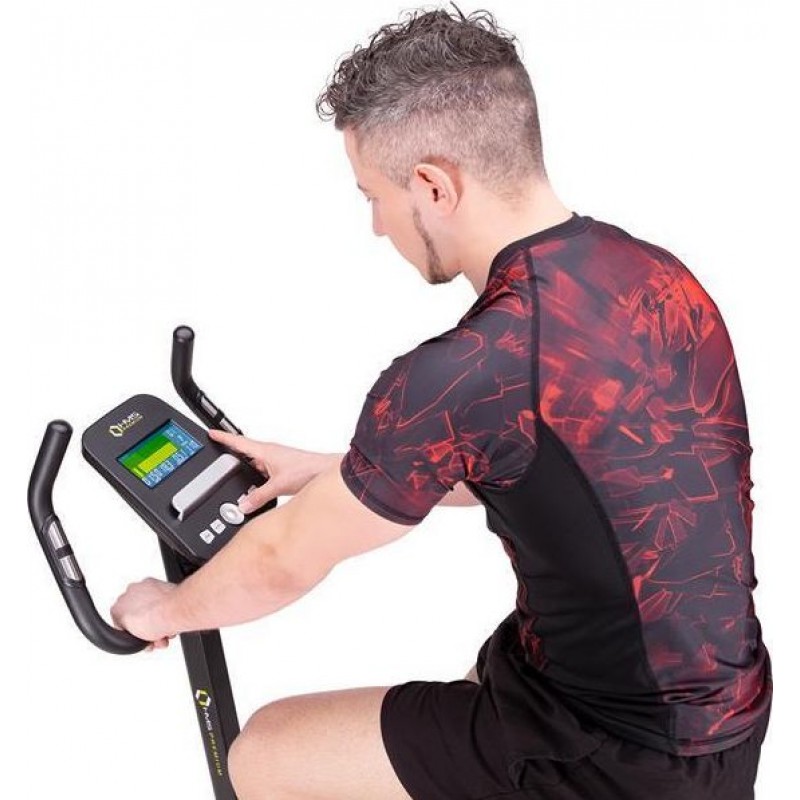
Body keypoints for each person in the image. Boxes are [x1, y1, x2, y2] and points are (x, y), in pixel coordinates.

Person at [110, 5, 773, 799]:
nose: (376, 225)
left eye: (373, 195)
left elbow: (283, 560)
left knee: (264, 753)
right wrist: (327, 469)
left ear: (432, 185)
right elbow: (566, 464)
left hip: (617, 755)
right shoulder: (658, 279)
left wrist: (165, 608)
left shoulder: (466, 370)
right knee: (474, 685)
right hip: (721, 720)